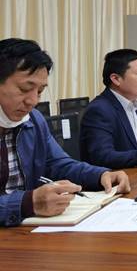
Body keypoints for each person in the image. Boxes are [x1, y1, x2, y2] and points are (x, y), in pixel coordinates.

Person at [0, 39, 130, 227]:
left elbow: (58, 164)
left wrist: (101, 176)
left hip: (24, 231)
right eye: (25, 89)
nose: (33, 101)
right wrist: (26, 203)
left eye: (40, 91)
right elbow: (26, 202)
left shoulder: (34, 121)